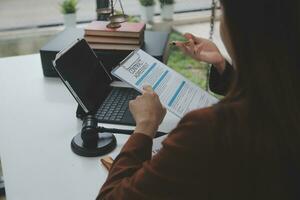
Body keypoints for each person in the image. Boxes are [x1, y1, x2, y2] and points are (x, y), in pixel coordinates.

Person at [97, 0, 300, 199]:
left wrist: (145, 125)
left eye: (222, 11)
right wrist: (222, 65)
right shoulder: (285, 99)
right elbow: (267, 94)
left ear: (241, 27)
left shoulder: (208, 130)